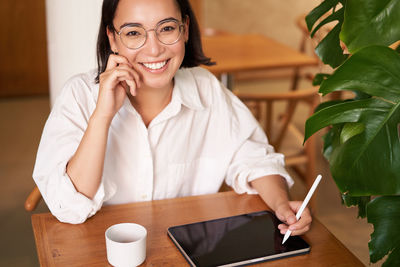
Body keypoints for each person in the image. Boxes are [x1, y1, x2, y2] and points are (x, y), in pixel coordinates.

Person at [33, 0, 312, 238]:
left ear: (185, 29)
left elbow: (253, 157)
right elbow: (68, 207)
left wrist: (280, 205)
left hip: (184, 250)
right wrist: (102, 116)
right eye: (133, 33)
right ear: (112, 38)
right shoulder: (79, 94)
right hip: (103, 250)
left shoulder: (206, 89)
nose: (153, 49)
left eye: (167, 28)